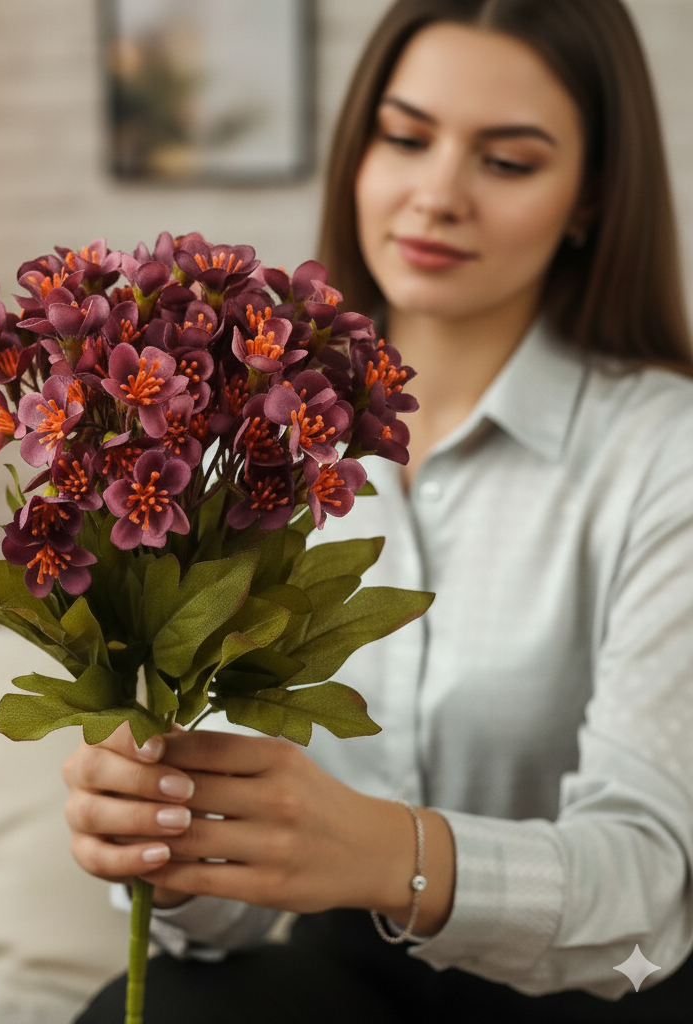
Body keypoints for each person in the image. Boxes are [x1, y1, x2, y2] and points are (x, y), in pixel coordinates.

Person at [64, 1, 693, 1020]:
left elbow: (643, 911)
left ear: (589, 199)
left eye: (509, 161)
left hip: (605, 990)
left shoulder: (666, 450)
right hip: (350, 974)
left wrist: (385, 851)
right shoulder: (237, 442)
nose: (436, 194)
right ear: (359, 152)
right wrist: (167, 852)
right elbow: (228, 915)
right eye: (405, 139)